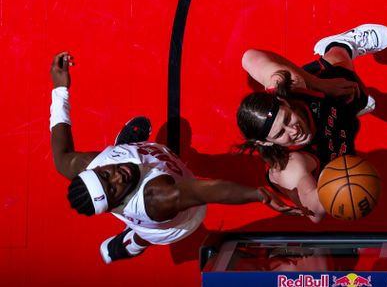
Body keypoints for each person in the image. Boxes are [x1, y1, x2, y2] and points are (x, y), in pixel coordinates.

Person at [48, 51, 309, 264]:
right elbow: (210, 191)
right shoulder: (158, 197)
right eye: (113, 187)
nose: (117, 175)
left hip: (151, 172)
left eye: (106, 175)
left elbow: (60, 156)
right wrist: (260, 195)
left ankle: (132, 150)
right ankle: (127, 245)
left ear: (94, 170)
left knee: (132, 162)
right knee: (146, 234)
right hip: (179, 219)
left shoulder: (87, 165)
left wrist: (60, 88)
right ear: (116, 200)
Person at [236, 24, 387, 222]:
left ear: (283, 101)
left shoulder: (289, 84)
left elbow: (248, 57)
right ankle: (350, 111)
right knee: (350, 114)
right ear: (265, 142)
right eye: (279, 134)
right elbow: (316, 213)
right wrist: (346, 191)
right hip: (329, 154)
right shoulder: (290, 166)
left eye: (286, 118)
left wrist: (320, 84)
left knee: (345, 75)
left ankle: (340, 44)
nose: (293, 129)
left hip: (323, 105)